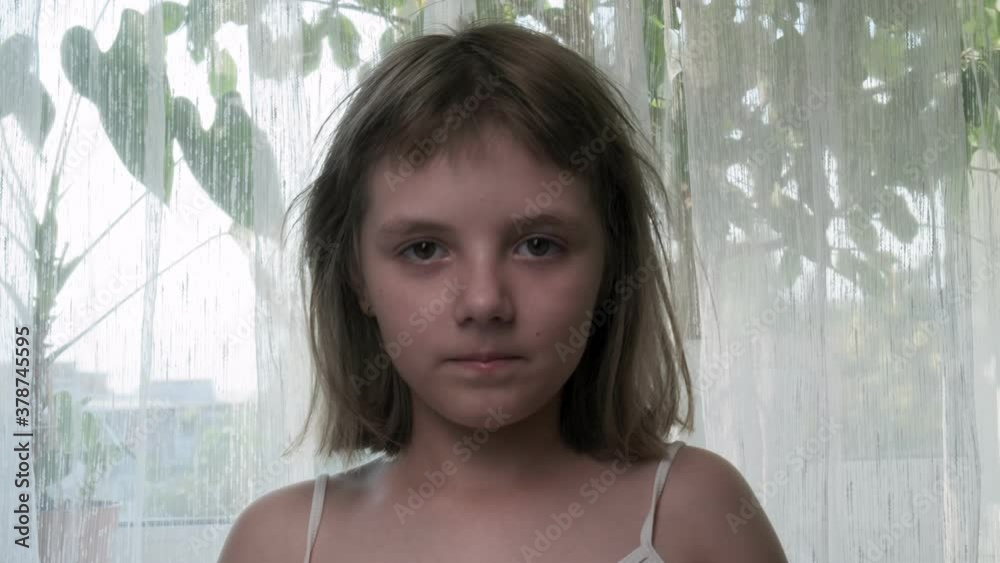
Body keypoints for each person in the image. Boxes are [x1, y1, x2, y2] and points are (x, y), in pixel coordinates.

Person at [218, 20, 787, 563]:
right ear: (356, 277)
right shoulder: (277, 547)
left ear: (612, 265)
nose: (484, 302)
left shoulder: (698, 517)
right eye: (424, 250)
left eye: (538, 246)